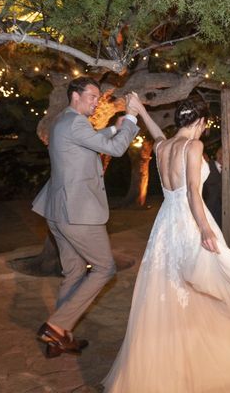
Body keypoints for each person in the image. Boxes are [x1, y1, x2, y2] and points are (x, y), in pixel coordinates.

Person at [103, 98, 230, 392]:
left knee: (170, 286)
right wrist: (205, 229)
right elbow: (193, 190)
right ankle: (204, 348)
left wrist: (142, 112)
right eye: (206, 124)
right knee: (213, 279)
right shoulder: (193, 147)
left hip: (165, 223)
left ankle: (171, 354)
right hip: (189, 221)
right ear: (200, 123)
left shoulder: (162, 147)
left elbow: (157, 134)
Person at [32, 77, 141, 357]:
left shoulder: (63, 121)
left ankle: (60, 336)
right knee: (105, 268)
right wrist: (130, 118)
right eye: (92, 97)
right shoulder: (76, 122)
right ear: (75, 96)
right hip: (77, 213)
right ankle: (56, 326)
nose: (96, 102)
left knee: (75, 271)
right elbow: (116, 150)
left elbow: (88, 141)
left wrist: (111, 129)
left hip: (57, 211)